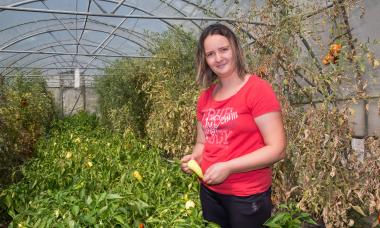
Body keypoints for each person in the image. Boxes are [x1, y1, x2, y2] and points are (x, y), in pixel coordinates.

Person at [180, 23, 286, 228]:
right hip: (210, 192)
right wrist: (194, 158)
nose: (218, 58)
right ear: (205, 59)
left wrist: (228, 167)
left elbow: (277, 149)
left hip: (246, 195)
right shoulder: (205, 98)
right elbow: (202, 143)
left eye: (223, 49)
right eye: (210, 54)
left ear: (235, 49)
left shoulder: (257, 90)